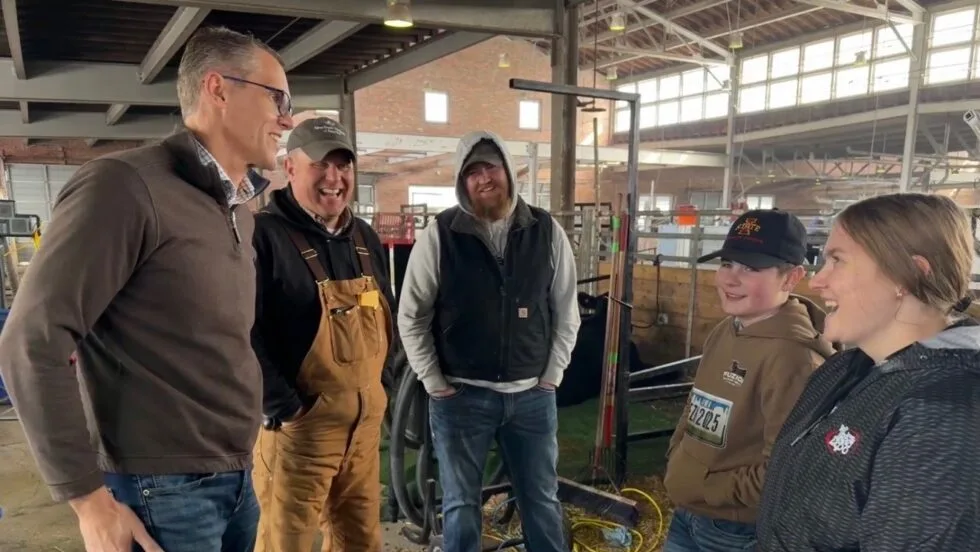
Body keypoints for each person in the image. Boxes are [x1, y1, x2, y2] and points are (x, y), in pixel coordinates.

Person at [0, 26, 293, 552]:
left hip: (234, 476)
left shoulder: (237, 208)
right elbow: (32, 339)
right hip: (160, 491)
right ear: (218, 90)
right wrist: (88, 501)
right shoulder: (125, 186)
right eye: (277, 98)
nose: (287, 118)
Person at [756, 193, 980, 551]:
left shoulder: (943, 411)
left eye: (838, 261)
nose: (816, 281)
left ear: (906, 276)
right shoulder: (845, 369)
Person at [398, 130, 581, 552]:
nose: (484, 179)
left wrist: (552, 374)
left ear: (508, 171)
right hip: (462, 397)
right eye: (473, 172)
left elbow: (566, 309)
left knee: (540, 499)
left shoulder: (546, 231)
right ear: (462, 182)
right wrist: (433, 381)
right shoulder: (440, 234)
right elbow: (412, 315)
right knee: (461, 505)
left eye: (491, 167)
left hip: (532, 397)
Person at [250, 117, 397, 552]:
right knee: (285, 543)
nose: (334, 178)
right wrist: (287, 408)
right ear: (290, 168)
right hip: (301, 437)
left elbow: (386, 314)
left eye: (343, 165)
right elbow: (242, 335)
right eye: (320, 164)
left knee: (361, 542)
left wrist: (381, 384)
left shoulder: (364, 238)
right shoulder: (263, 237)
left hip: (364, 434)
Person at [662, 209, 836, 552]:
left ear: (791, 278)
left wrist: (705, 485)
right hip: (689, 513)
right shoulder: (725, 329)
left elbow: (787, 469)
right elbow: (697, 404)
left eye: (751, 268)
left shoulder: (793, 359)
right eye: (727, 263)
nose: (730, 278)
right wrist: (678, 455)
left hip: (734, 530)